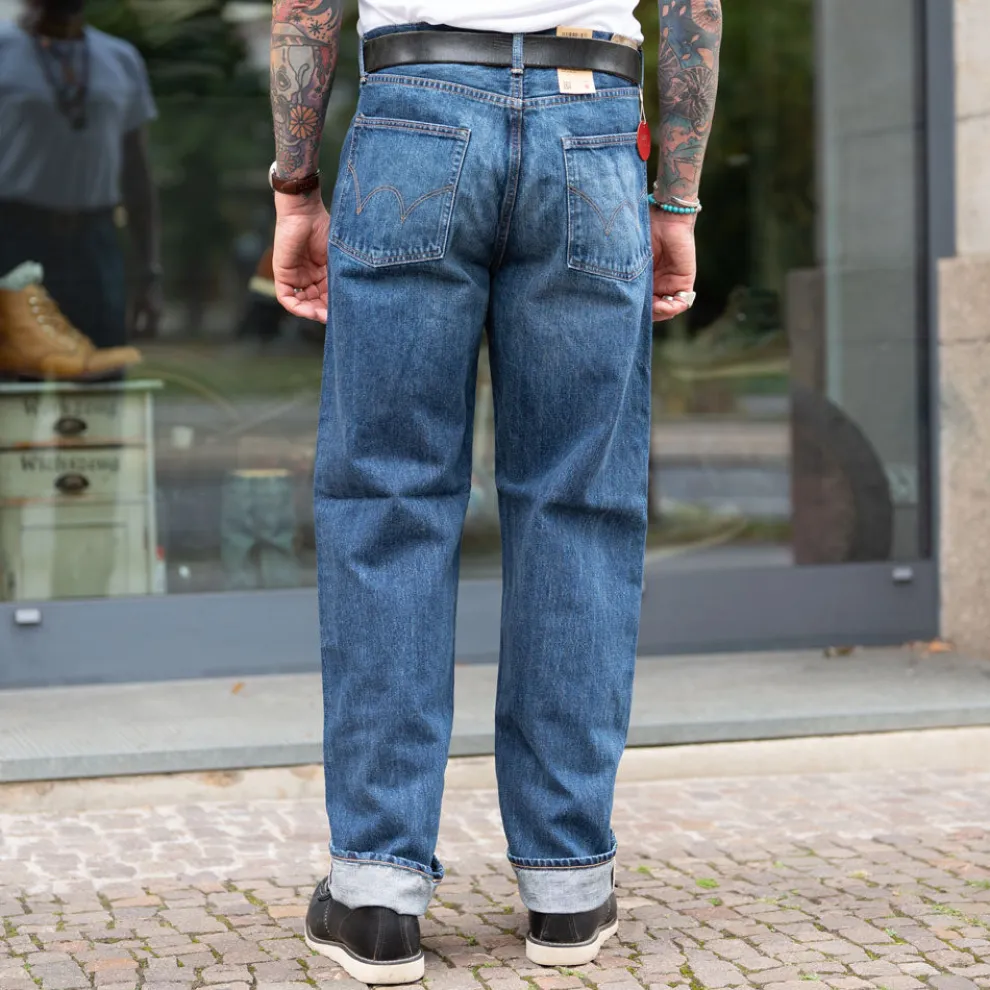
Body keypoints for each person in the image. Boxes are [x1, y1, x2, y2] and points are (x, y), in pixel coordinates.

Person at [269, 0, 721, 983]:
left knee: (387, 505)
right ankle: (568, 888)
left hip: (415, 117)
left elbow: (307, 8)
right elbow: (694, 10)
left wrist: (295, 185)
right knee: (579, 511)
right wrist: (677, 200)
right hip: (591, 126)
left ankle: (376, 894)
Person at [0, 0, 162, 376]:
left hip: (94, 241)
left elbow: (137, 174)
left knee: (101, 377)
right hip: (13, 238)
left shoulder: (120, 58)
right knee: (16, 383)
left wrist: (149, 272)